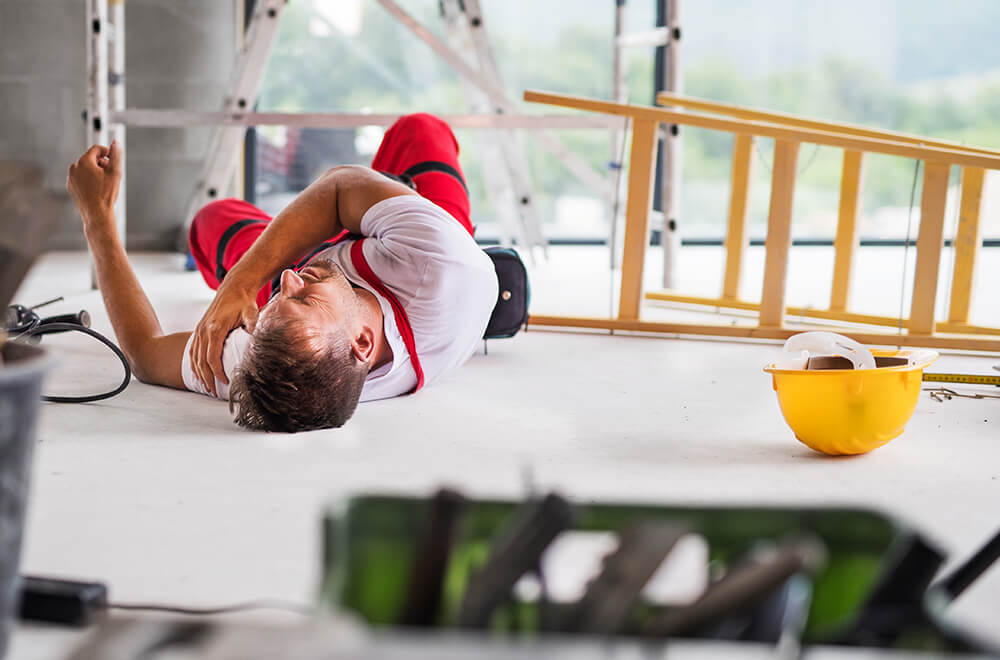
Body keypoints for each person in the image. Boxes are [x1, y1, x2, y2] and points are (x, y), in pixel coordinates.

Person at [66, 113, 499, 432]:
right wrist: (245, 282)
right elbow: (339, 184)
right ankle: (386, 197)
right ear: (363, 342)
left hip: (343, 271)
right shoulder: (441, 263)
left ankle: (366, 207)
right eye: (302, 300)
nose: (289, 280)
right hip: (419, 250)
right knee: (420, 129)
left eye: (276, 304)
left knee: (211, 220)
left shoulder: (265, 358)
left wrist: (96, 216)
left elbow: (145, 353)